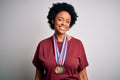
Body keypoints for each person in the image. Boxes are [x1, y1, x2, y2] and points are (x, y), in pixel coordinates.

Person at [32, 2, 88, 80]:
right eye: (60, 19)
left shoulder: (78, 44)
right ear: (53, 20)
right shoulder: (42, 45)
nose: (63, 23)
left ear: (69, 25)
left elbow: (83, 76)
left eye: (67, 21)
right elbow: (38, 76)